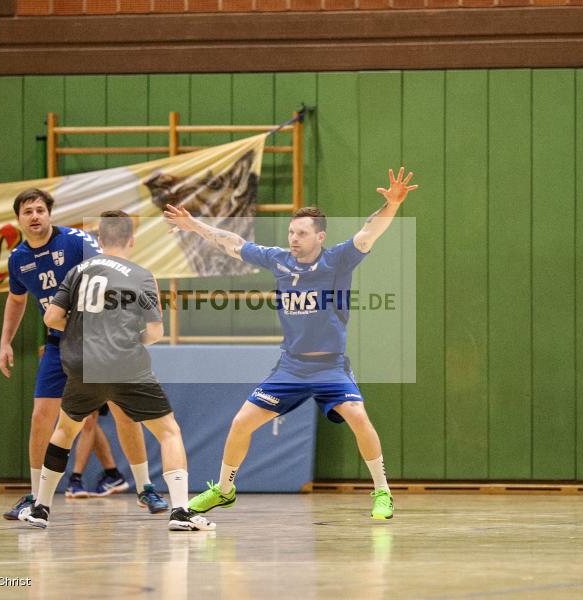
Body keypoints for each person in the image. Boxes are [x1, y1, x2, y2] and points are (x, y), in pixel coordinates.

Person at [163, 167, 417, 520]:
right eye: (291, 232)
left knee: (359, 417)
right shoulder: (279, 260)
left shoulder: (337, 260)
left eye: (301, 233)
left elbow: (368, 232)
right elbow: (232, 243)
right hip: (291, 366)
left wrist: (390, 205)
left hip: (329, 365)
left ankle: (382, 492)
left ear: (320, 237)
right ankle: (224, 490)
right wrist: (195, 227)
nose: (293, 238)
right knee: (241, 423)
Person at [24, 210, 214, 531]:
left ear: (99, 240)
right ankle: (180, 511)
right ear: (131, 240)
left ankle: (41, 507)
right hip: (126, 365)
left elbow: (51, 319)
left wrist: (82, 329)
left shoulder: (78, 271)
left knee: (65, 431)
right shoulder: (142, 275)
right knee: (168, 431)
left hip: (83, 365)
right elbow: (155, 333)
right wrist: (130, 339)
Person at [0, 189, 168, 520]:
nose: (35, 216)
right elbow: (17, 300)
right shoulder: (18, 259)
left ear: (50, 214)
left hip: (99, 341)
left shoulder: (76, 242)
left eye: (40, 210)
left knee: (124, 412)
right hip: (59, 343)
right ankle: (36, 495)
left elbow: (112, 270)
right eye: (27, 211)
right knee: (41, 418)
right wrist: (5, 341)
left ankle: (145, 487)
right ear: (18, 219)